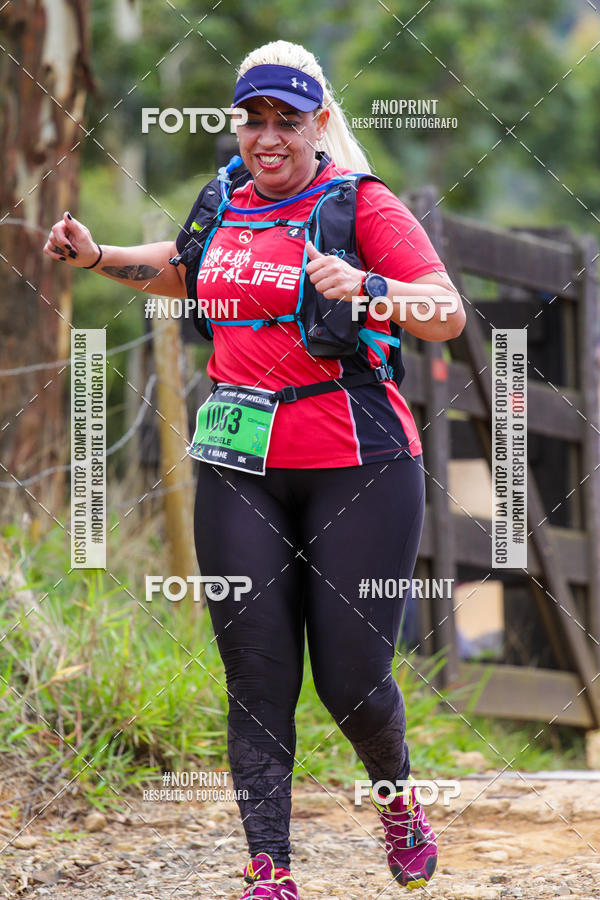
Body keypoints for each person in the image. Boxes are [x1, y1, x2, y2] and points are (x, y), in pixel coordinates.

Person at [44, 39, 465, 898]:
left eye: (287, 120)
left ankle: (398, 802)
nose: (268, 137)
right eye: (254, 119)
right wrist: (96, 260)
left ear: (319, 124)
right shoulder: (222, 202)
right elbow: (186, 271)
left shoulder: (360, 204)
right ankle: (268, 871)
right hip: (239, 467)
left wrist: (369, 288)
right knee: (257, 673)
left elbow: (448, 313)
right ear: (239, 124)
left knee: (352, 681)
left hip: (361, 465)